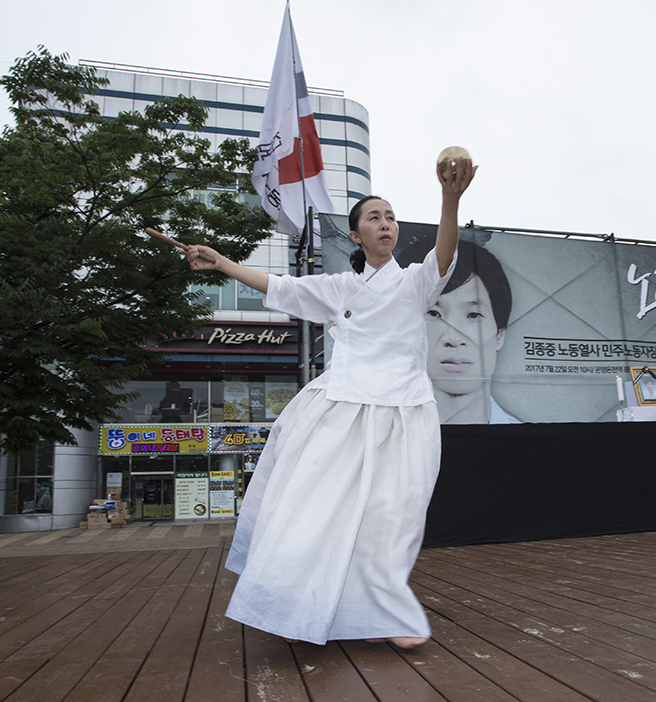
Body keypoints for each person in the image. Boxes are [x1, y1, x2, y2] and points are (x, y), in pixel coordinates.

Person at [159, 157, 476, 649]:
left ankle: (383, 609)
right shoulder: (340, 288)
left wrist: (450, 199)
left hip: (405, 415)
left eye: (390, 216)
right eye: (374, 217)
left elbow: (444, 254)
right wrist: (220, 262)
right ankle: (298, 598)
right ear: (356, 237)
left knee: (394, 518)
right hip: (341, 414)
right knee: (315, 509)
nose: (385, 223)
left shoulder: (415, 281)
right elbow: (281, 287)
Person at [400, 238, 518, 423]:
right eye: (433, 313)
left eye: (473, 315)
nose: (454, 338)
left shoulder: (524, 443)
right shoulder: (376, 441)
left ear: (500, 334)